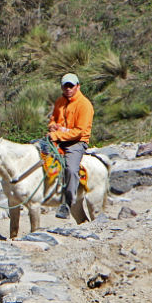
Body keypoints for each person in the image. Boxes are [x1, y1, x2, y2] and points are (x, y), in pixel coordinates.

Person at [47, 72, 94, 219]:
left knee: (71, 169)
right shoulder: (60, 101)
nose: (68, 89)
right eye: (65, 86)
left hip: (77, 142)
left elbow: (79, 132)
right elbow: (53, 119)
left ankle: (67, 203)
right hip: (59, 138)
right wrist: (52, 126)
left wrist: (56, 134)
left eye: (71, 86)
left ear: (77, 86)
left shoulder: (84, 105)